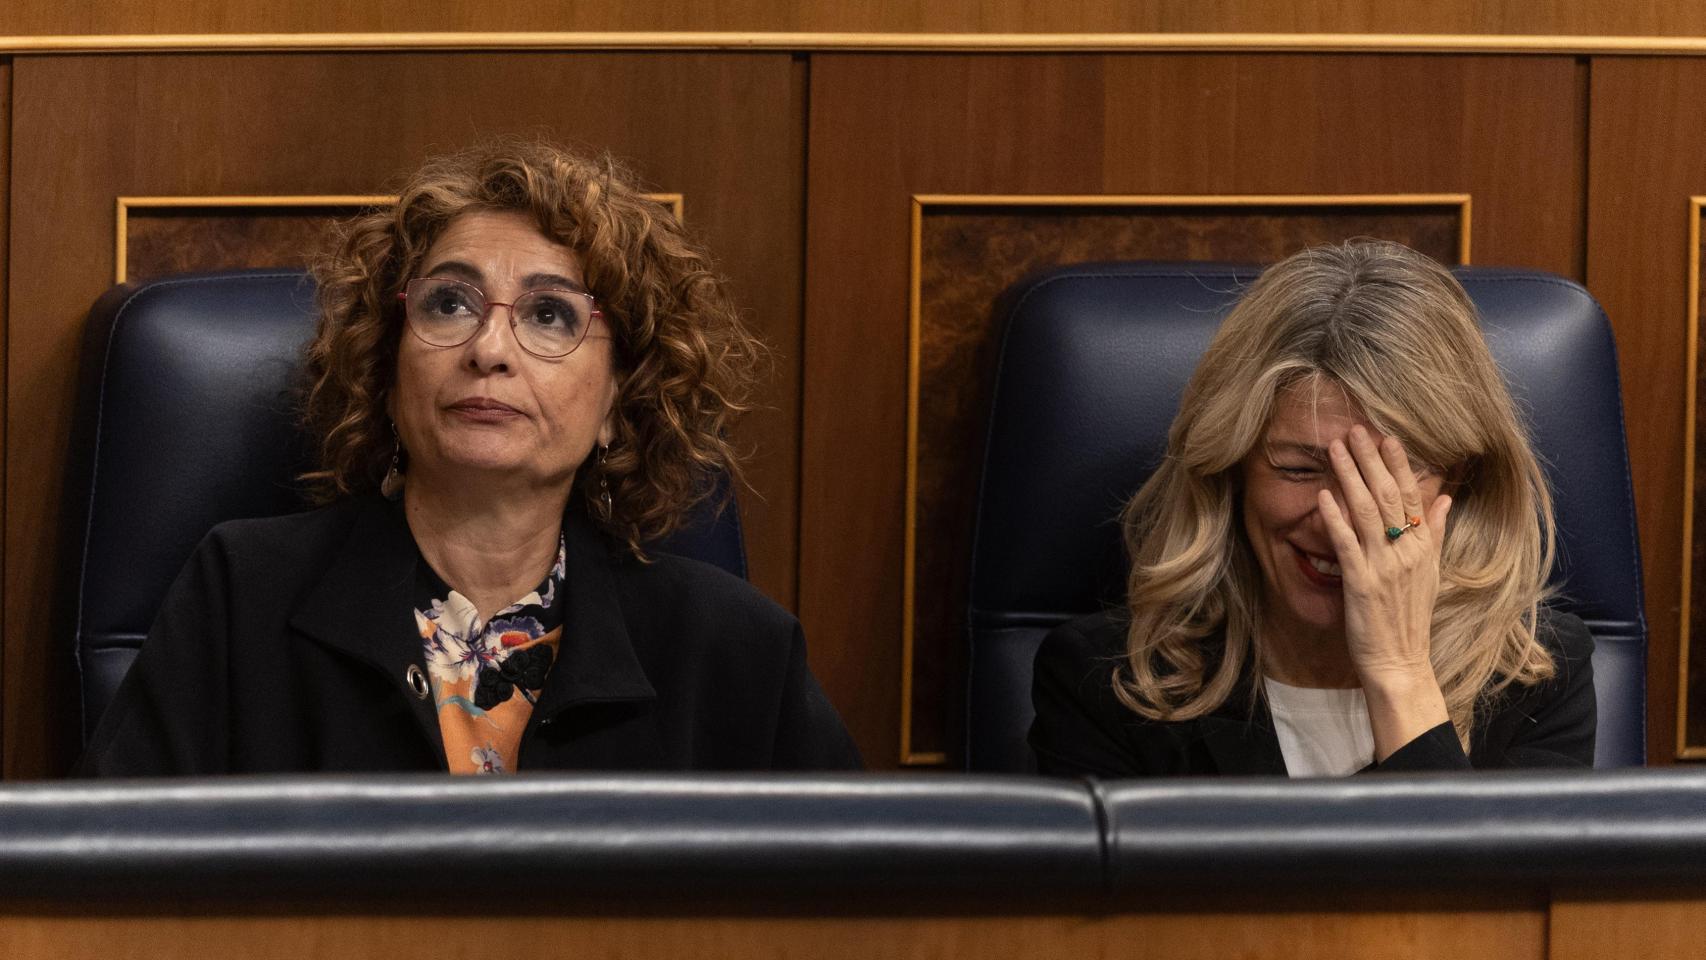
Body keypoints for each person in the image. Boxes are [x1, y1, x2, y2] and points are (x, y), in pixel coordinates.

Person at [79, 139, 860, 775]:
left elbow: (857, 914)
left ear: (621, 401)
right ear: (386, 369)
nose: (489, 350)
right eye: (449, 303)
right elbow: (112, 902)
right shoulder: (238, 597)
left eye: (551, 315)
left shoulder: (735, 649)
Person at [1029, 240, 1595, 777]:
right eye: (1298, 469)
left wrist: (1400, 674)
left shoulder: (1540, 675)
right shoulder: (1104, 680)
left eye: (1393, 472)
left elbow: (1474, 885)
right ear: (1230, 469)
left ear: (1462, 476)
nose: (1341, 520)